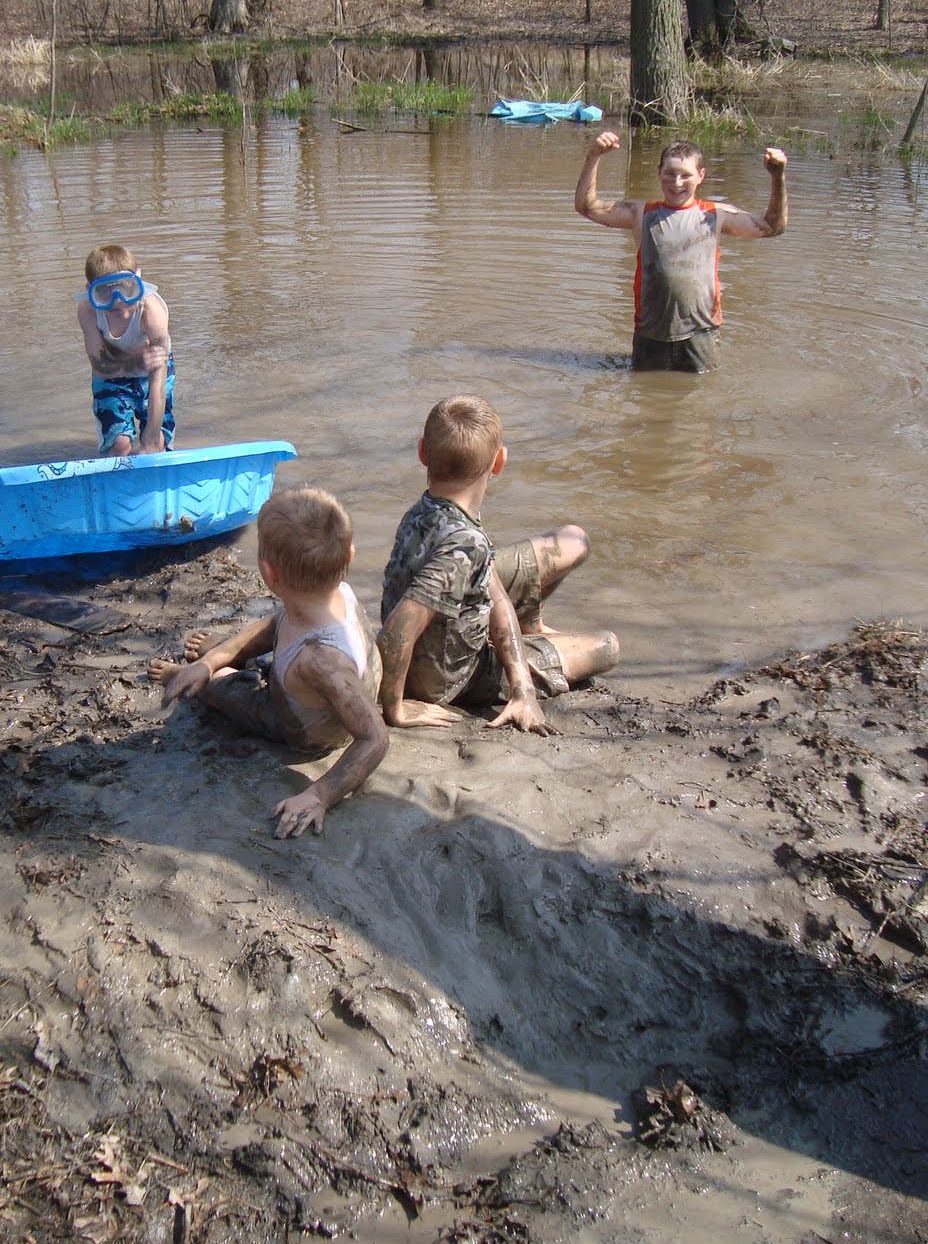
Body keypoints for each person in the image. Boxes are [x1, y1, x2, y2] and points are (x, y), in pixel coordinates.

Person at [148, 486, 389, 839]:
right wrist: (213, 658)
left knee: (227, 691)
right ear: (349, 556)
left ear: (268, 573)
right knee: (240, 650)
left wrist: (319, 795)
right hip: (309, 686)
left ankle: (202, 676)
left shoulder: (322, 661)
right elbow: (277, 622)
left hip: (299, 727)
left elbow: (375, 739)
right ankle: (215, 658)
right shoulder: (333, 593)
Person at [378, 395, 618, 735]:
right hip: (451, 675)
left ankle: (531, 627)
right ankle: (523, 648)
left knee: (573, 540)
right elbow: (399, 628)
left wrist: (524, 688)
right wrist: (396, 708)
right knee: (606, 647)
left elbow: (495, 595)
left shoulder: (426, 512)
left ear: (422, 453)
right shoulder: (465, 546)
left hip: (454, 616)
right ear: (499, 461)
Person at [574, 132, 788, 373]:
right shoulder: (640, 213)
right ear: (659, 173)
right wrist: (594, 156)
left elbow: (773, 227)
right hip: (651, 331)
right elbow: (586, 207)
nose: (676, 183)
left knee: (701, 398)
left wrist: (777, 176)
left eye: (685, 175)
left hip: (701, 333)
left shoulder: (716, 214)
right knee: (646, 397)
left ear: (701, 176)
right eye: (670, 173)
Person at [78, 243, 174, 454]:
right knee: (120, 443)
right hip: (112, 373)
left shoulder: (152, 309)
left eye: (127, 289)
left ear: (138, 277)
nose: (119, 302)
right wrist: (135, 363)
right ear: (90, 291)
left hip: (153, 373)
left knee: (157, 442)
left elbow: (158, 377)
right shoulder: (88, 310)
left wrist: (149, 439)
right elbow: (100, 365)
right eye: (105, 294)